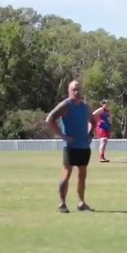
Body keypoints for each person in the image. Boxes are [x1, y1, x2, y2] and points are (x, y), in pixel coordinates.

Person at [45, 80, 97, 213]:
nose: (76, 92)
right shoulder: (65, 105)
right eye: (74, 89)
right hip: (70, 146)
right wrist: (63, 136)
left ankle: (81, 203)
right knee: (67, 173)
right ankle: (62, 203)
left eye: (78, 89)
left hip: (84, 146)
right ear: (69, 91)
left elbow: (93, 120)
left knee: (82, 175)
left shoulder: (85, 107)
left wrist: (90, 134)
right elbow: (49, 119)